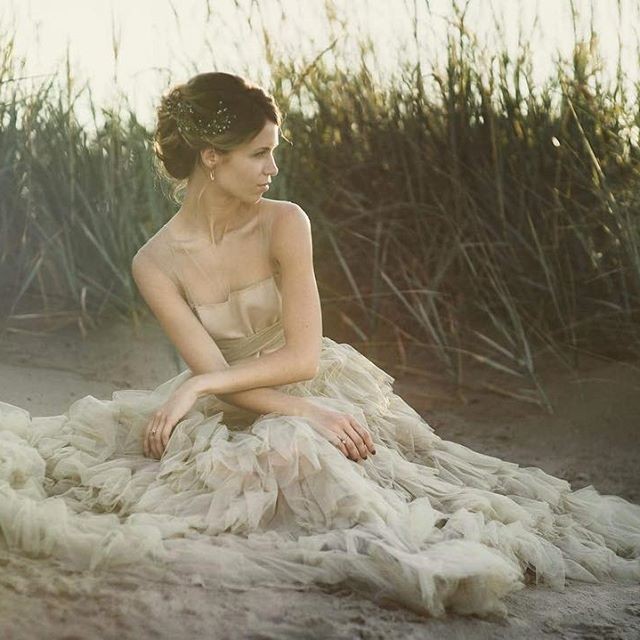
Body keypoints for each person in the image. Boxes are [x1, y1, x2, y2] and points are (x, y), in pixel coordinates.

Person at [1, 71, 639, 620]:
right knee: (252, 468)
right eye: (259, 153)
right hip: (235, 400)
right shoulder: (154, 261)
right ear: (211, 157)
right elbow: (217, 375)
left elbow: (302, 360)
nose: (272, 168)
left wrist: (239, 391)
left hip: (310, 383)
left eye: (273, 152)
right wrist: (217, 387)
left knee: (376, 482)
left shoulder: (286, 221)